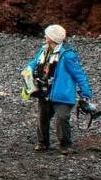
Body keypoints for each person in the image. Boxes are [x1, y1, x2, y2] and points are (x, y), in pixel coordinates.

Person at [21, 24, 94, 154]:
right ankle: (43, 143)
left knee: (62, 117)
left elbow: (79, 73)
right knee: (43, 117)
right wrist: (28, 69)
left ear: (52, 38)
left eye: (47, 35)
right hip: (44, 90)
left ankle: (65, 144)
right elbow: (34, 62)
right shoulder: (44, 49)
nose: (45, 36)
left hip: (62, 92)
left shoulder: (67, 55)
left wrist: (86, 92)